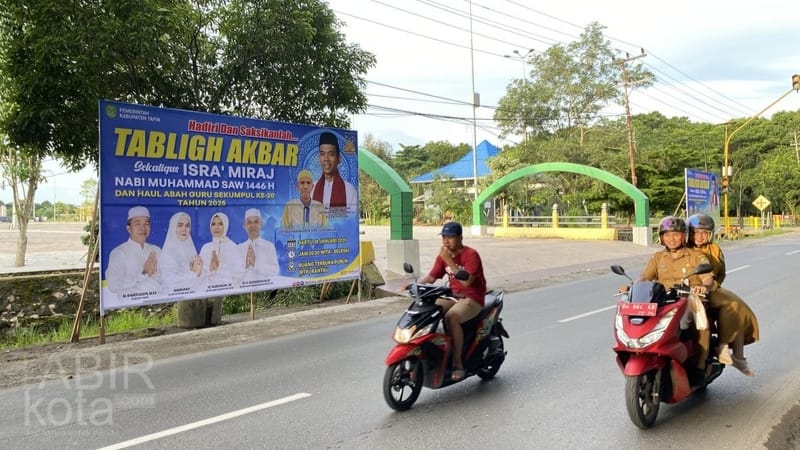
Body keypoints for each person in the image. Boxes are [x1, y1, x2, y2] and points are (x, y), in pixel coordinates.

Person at [625, 216, 714, 381]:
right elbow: (645, 277)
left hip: (691, 299)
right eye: (667, 235)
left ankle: (700, 365)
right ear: (661, 237)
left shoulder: (696, 256)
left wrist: (704, 286)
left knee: (700, 326)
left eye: (675, 234)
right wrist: (632, 285)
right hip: (664, 300)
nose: (671, 239)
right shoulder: (658, 257)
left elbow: (708, 278)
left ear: (684, 236)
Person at [687, 213, 759, 376]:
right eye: (695, 232)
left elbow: (721, 273)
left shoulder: (715, 249)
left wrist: (713, 286)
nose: (699, 236)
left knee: (738, 309)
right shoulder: (685, 249)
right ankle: (728, 350)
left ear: (710, 234)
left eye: (704, 233)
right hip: (689, 290)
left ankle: (732, 352)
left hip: (710, 288)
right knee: (734, 305)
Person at [417, 221, 487, 381]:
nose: (446, 241)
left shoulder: (471, 255)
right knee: (426, 310)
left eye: (450, 237)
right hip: (452, 296)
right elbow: (431, 277)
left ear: (460, 237)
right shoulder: (443, 256)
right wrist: (414, 285)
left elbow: (467, 282)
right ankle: (431, 353)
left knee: (451, 318)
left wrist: (449, 261)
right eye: (444, 237)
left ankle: (458, 363)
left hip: (472, 298)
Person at [105, 206, 163, 296]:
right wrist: (144, 273)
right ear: (129, 228)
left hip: (157, 301)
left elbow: (164, 279)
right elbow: (114, 286)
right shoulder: (119, 252)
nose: (142, 228)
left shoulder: (156, 250)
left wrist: (133, 283)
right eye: (137, 224)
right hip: (131, 305)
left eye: (146, 224)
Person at [312, 131, 357, 214]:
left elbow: (351, 221)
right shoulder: (312, 188)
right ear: (319, 158)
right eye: (322, 154)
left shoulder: (349, 189)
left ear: (338, 159)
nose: (326, 159)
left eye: (331, 154)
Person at [160, 212, 203, 295]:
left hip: (193, 295)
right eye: (180, 225)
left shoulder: (190, 247)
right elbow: (172, 283)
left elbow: (198, 274)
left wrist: (199, 272)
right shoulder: (168, 252)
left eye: (187, 226)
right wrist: (193, 273)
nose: (184, 229)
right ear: (173, 228)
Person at [199, 212, 242, 289]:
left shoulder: (233, 247)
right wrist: (210, 270)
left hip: (226, 293)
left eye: (220, 224)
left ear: (225, 225)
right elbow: (200, 275)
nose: (216, 227)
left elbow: (238, 275)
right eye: (213, 224)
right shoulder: (205, 248)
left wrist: (219, 268)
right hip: (206, 292)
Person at [239, 208, 279, 285]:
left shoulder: (269, 246)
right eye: (249, 222)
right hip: (243, 290)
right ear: (245, 226)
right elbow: (233, 272)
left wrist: (255, 264)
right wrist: (246, 265)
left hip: (263, 290)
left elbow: (275, 270)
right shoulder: (239, 248)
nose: (253, 225)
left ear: (261, 224)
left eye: (256, 222)